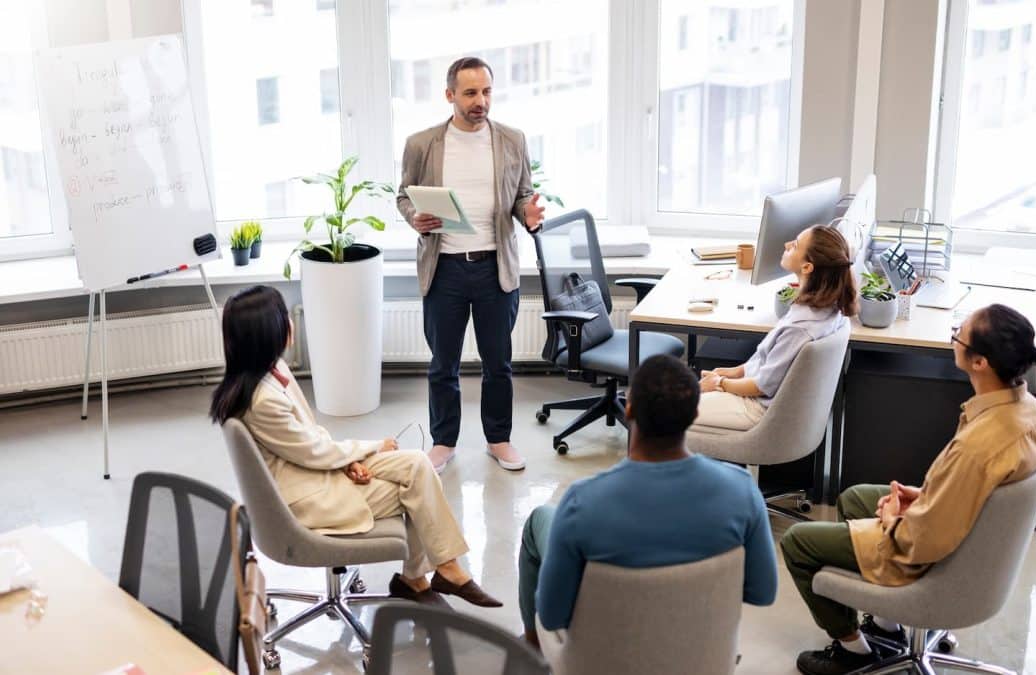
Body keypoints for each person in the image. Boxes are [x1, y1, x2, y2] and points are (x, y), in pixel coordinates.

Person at [781, 304, 1036, 675]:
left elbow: (923, 541)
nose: (954, 336)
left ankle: (854, 653)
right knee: (855, 497)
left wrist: (895, 518)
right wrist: (927, 496)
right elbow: (975, 492)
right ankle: (887, 626)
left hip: (934, 555)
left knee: (798, 542)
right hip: (969, 534)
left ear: (980, 363)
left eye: (959, 333)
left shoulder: (976, 447)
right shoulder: (1032, 413)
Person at [209, 285, 501, 608]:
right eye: (283, 318)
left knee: (418, 464)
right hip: (308, 494)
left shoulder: (273, 371)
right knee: (417, 488)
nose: (291, 324)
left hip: (317, 468)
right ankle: (432, 574)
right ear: (268, 332)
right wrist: (371, 448)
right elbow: (310, 452)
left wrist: (349, 462)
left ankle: (428, 575)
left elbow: (308, 438)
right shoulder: (262, 400)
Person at [517, 354, 778, 648]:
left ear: (628, 410)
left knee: (540, 518)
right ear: (694, 415)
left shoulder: (583, 502)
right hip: (698, 657)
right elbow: (763, 592)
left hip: (604, 658)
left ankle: (531, 646)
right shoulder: (742, 492)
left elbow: (552, 617)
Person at [397, 56, 545, 474]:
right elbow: (403, 197)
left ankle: (499, 439)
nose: (481, 101)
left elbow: (523, 195)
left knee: (498, 363)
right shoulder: (422, 144)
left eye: (486, 91)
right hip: (444, 268)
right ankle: (443, 443)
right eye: (470, 93)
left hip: (494, 268)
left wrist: (528, 215)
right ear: (450, 96)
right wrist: (414, 218)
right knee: (443, 364)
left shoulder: (512, 140)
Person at [696, 224, 857, 431]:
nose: (787, 245)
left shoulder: (799, 328)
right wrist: (734, 372)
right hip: (752, 395)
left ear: (807, 267)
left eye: (795, 245)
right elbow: (770, 365)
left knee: (658, 410)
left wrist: (720, 383)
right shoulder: (827, 311)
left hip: (753, 408)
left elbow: (761, 386)